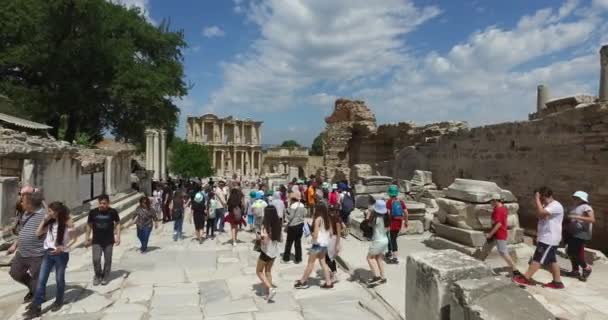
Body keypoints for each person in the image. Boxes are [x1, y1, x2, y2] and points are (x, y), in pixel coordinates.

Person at [24, 202, 76, 318]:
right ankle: (36, 306)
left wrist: (63, 247)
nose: (48, 213)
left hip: (61, 255)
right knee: (41, 280)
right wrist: (44, 220)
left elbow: (74, 239)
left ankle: (59, 300)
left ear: (57, 212)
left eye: (50, 211)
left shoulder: (67, 222)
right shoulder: (50, 223)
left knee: (59, 279)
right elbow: (37, 233)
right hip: (48, 253)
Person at [513, 187, 565, 289]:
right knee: (552, 261)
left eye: (541, 198)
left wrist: (537, 199)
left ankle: (525, 278)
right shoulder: (547, 206)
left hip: (549, 239)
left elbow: (541, 213)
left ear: (545, 196)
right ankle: (557, 283)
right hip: (546, 237)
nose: (540, 201)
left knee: (537, 259)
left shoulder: (556, 206)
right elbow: (541, 215)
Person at [8, 190, 46, 304]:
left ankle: (39, 297)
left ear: (29, 203)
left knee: (36, 277)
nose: (21, 203)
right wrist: (15, 245)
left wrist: (37, 194)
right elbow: (22, 231)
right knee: (15, 273)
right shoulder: (25, 214)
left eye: (22, 201)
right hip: (22, 253)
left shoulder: (43, 214)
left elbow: (51, 211)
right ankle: (33, 289)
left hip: (37, 254)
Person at [477, 194, 519, 276]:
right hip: (496, 234)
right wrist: (488, 211)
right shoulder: (502, 208)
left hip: (499, 234)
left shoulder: (498, 210)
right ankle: (478, 264)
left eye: (491, 201)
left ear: (495, 201)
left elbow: (498, 224)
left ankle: (515, 269)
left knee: (503, 252)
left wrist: (490, 234)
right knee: (485, 249)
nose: (490, 203)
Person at [294, 203, 333, 289]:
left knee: (310, 263)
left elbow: (315, 235)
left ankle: (302, 282)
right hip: (324, 245)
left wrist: (309, 233)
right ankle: (328, 282)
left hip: (317, 245)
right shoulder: (327, 219)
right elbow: (331, 233)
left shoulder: (318, 219)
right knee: (323, 263)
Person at [85, 194, 120, 286]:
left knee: (108, 260)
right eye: (100, 203)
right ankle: (98, 275)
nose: (102, 205)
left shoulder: (112, 212)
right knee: (96, 259)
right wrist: (87, 238)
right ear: (98, 203)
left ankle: (105, 276)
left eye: (104, 203)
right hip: (96, 240)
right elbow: (89, 225)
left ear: (108, 203)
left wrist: (118, 236)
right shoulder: (93, 212)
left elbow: (118, 223)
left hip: (109, 240)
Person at [564, 191, 595, 281]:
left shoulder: (586, 207)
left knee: (573, 252)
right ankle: (575, 271)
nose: (574, 199)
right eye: (574, 197)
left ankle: (586, 268)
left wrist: (577, 217)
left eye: (577, 198)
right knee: (570, 252)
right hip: (573, 232)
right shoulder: (575, 207)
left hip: (581, 233)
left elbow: (592, 219)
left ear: (581, 199)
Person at [256, 206, 282, 302]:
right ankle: (268, 293)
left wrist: (259, 236)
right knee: (268, 271)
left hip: (266, 251)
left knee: (259, 271)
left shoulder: (265, 225)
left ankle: (270, 288)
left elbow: (264, 240)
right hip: (274, 251)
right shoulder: (277, 223)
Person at [366, 199, 390, 286]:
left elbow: (368, 224)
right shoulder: (386, 217)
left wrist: (369, 214)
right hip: (385, 240)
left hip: (378, 241)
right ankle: (383, 277)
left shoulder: (377, 218)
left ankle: (376, 276)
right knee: (379, 258)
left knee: (369, 258)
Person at [385, 185, 408, 264]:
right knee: (392, 237)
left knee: (392, 239)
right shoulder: (401, 202)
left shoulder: (389, 202)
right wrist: (406, 221)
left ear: (389, 193)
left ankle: (394, 257)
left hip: (391, 223)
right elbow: (405, 212)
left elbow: (388, 213)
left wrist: (388, 221)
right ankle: (389, 252)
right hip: (399, 222)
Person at [283, 193, 306, 263]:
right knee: (298, 242)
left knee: (289, 243)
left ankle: (286, 258)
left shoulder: (293, 206)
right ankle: (298, 258)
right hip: (300, 224)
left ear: (292, 199)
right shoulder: (302, 205)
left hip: (293, 226)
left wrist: (286, 212)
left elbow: (290, 217)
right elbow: (305, 214)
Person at [326, 206, 342, 283]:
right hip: (329, 239)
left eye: (332, 211)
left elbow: (339, 233)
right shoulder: (328, 218)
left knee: (329, 258)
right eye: (330, 210)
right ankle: (333, 273)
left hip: (333, 239)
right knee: (329, 258)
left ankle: (334, 274)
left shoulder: (337, 220)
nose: (331, 212)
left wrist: (337, 244)